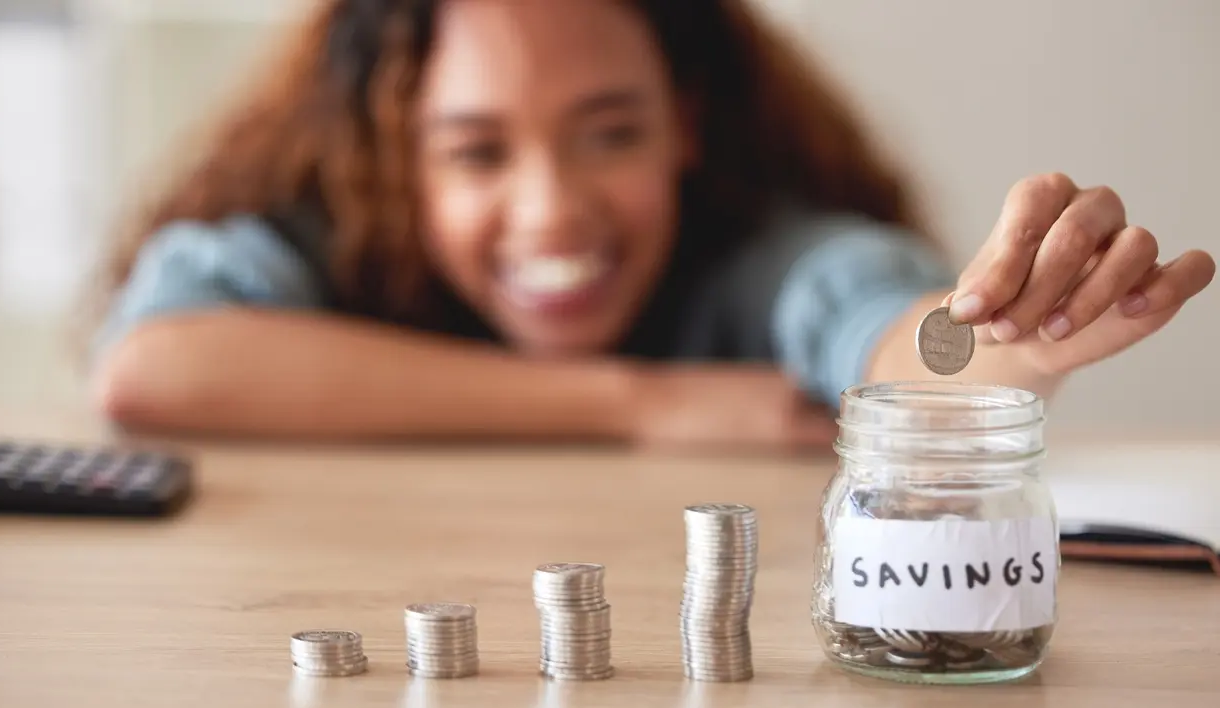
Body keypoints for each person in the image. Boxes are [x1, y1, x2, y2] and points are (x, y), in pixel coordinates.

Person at [87, 0, 1214, 452]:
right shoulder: (308, 245)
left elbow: (878, 321)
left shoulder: (762, 258)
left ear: (683, 126)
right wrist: (639, 402)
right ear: (398, 154)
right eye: (477, 151)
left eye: (608, 134)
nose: (551, 211)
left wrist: (981, 345)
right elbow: (154, 366)